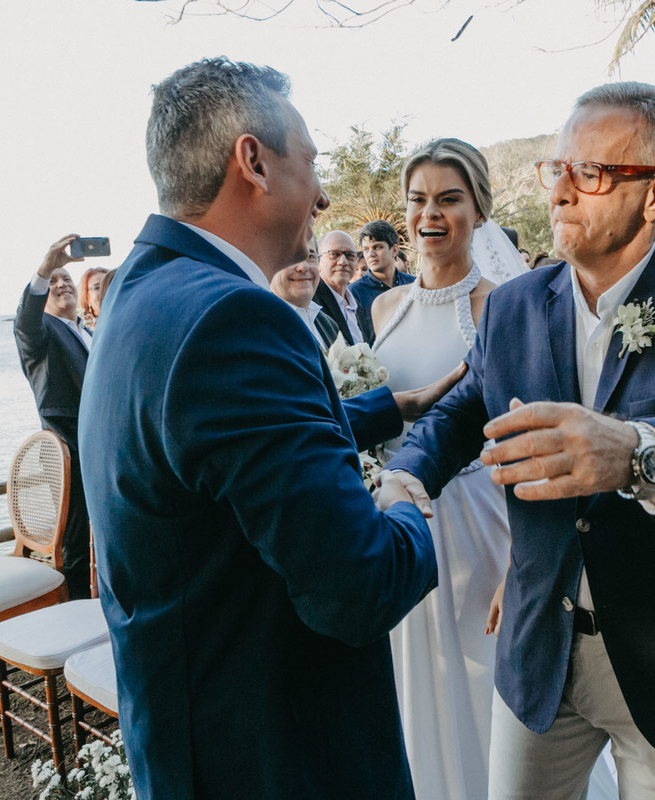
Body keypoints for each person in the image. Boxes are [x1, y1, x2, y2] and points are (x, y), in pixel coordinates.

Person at [384, 81, 655, 800]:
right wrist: (405, 478)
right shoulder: (517, 304)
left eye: (587, 173)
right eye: (554, 169)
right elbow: (465, 412)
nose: (559, 192)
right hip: (538, 654)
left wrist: (637, 452)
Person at [78, 58, 443, 799]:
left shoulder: (139, 296)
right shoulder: (235, 317)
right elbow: (359, 587)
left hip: (189, 740)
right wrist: (406, 504)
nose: (322, 193)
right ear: (254, 161)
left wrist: (390, 407)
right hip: (278, 756)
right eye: (309, 162)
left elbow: (224, 458)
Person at [368, 138, 516, 800]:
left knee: (475, 681)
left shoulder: (500, 309)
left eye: (449, 199)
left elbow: (519, 435)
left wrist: (522, 565)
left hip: (474, 523)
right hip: (391, 523)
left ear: (479, 211)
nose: (431, 214)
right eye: (419, 200)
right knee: (408, 684)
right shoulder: (383, 308)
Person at [13, 234, 95, 601]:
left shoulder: (88, 331)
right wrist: (45, 269)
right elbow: (25, 323)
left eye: (67, 279)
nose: (62, 284)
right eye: (54, 282)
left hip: (104, 449)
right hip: (70, 454)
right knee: (75, 544)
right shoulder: (42, 335)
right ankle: (75, 616)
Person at [349, 219, 416, 344]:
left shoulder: (414, 284)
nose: (370, 254)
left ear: (394, 250)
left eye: (377, 247)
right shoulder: (354, 292)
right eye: (366, 249)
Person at [270, 239, 342, 348]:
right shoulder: (262, 326)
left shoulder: (328, 324)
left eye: (311, 257)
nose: (303, 267)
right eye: (291, 257)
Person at [314, 230, 366, 343]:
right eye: (334, 254)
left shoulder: (357, 304)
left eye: (350, 255)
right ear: (318, 261)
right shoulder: (312, 304)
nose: (343, 262)